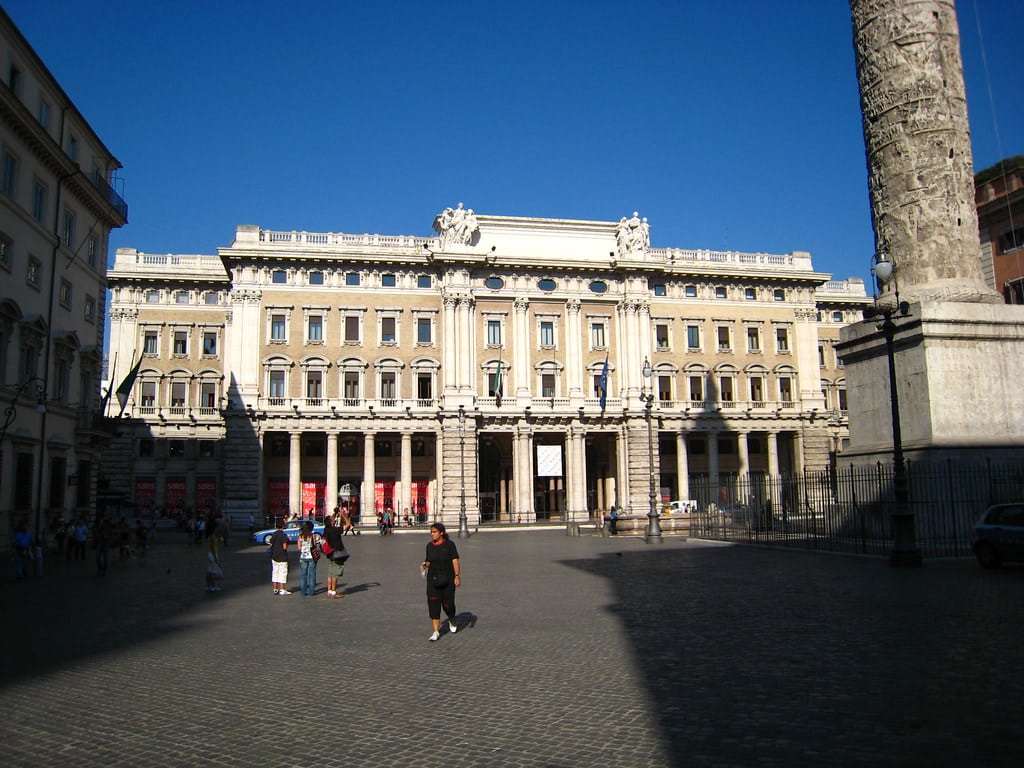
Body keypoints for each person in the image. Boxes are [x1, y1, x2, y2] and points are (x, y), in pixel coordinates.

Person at [420, 522, 461, 641]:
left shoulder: (450, 545)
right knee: (433, 605)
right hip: (433, 580)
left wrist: (457, 576)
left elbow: (455, 561)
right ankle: (436, 631)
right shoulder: (429, 546)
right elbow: (429, 561)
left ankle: (452, 618)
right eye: (431, 532)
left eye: (434, 532)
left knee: (448, 605)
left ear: (441, 533)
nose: (432, 534)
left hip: (448, 579)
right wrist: (424, 565)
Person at [322, 513, 346, 598]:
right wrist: (343, 516)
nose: (335, 520)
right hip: (337, 553)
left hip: (330, 553)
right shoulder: (335, 530)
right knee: (335, 574)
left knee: (330, 573)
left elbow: (330, 519)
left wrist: (335, 513)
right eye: (333, 520)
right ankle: (334, 592)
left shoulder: (326, 529)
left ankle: (329, 591)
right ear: (331, 522)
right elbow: (348, 524)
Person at [296, 520, 320, 596]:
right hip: (311, 556)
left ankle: (303, 592)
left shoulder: (300, 536)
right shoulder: (312, 535)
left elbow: (299, 548)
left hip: (303, 556)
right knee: (312, 574)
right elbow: (315, 546)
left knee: (303, 575)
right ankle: (312, 591)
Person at [269, 518, 290, 595]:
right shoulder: (284, 535)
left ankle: (275, 589)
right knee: (283, 573)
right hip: (282, 556)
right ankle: (282, 589)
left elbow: (271, 545)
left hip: (274, 555)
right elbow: (284, 547)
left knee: (275, 572)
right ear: (283, 525)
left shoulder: (274, 534)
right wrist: (288, 541)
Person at [206, 525, 224, 592]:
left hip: (210, 554)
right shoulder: (213, 537)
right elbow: (213, 548)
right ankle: (213, 587)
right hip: (213, 554)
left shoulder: (211, 536)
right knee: (213, 572)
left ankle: (208, 586)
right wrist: (216, 558)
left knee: (209, 571)